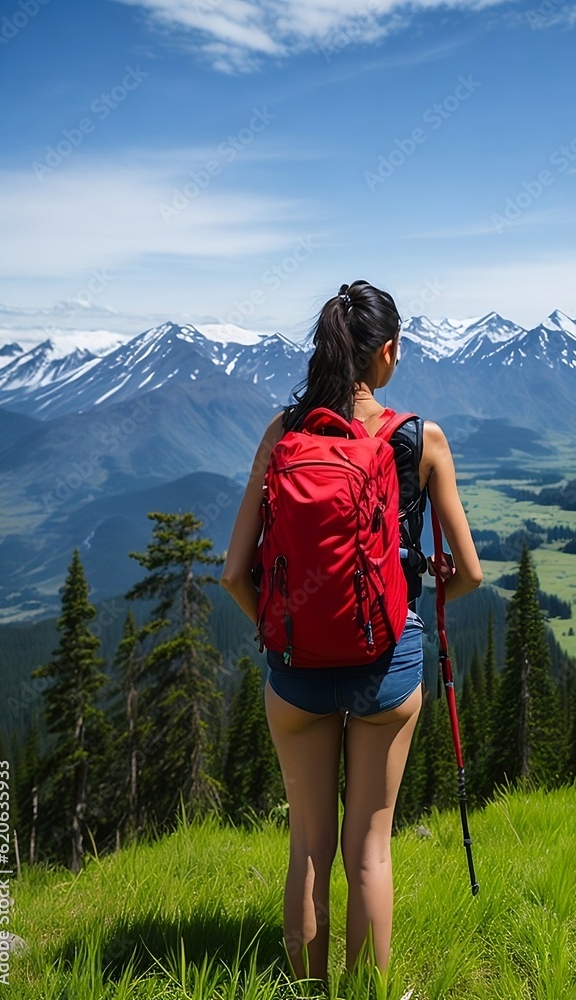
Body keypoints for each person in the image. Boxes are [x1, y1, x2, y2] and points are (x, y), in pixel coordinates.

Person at [220, 279, 482, 984]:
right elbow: (472, 574)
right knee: (369, 847)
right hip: (387, 662)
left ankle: (305, 993)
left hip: (296, 665)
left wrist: (281, 634)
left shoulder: (284, 434)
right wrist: (413, 607)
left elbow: (234, 574)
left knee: (308, 844)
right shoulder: (418, 439)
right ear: (387, 352)